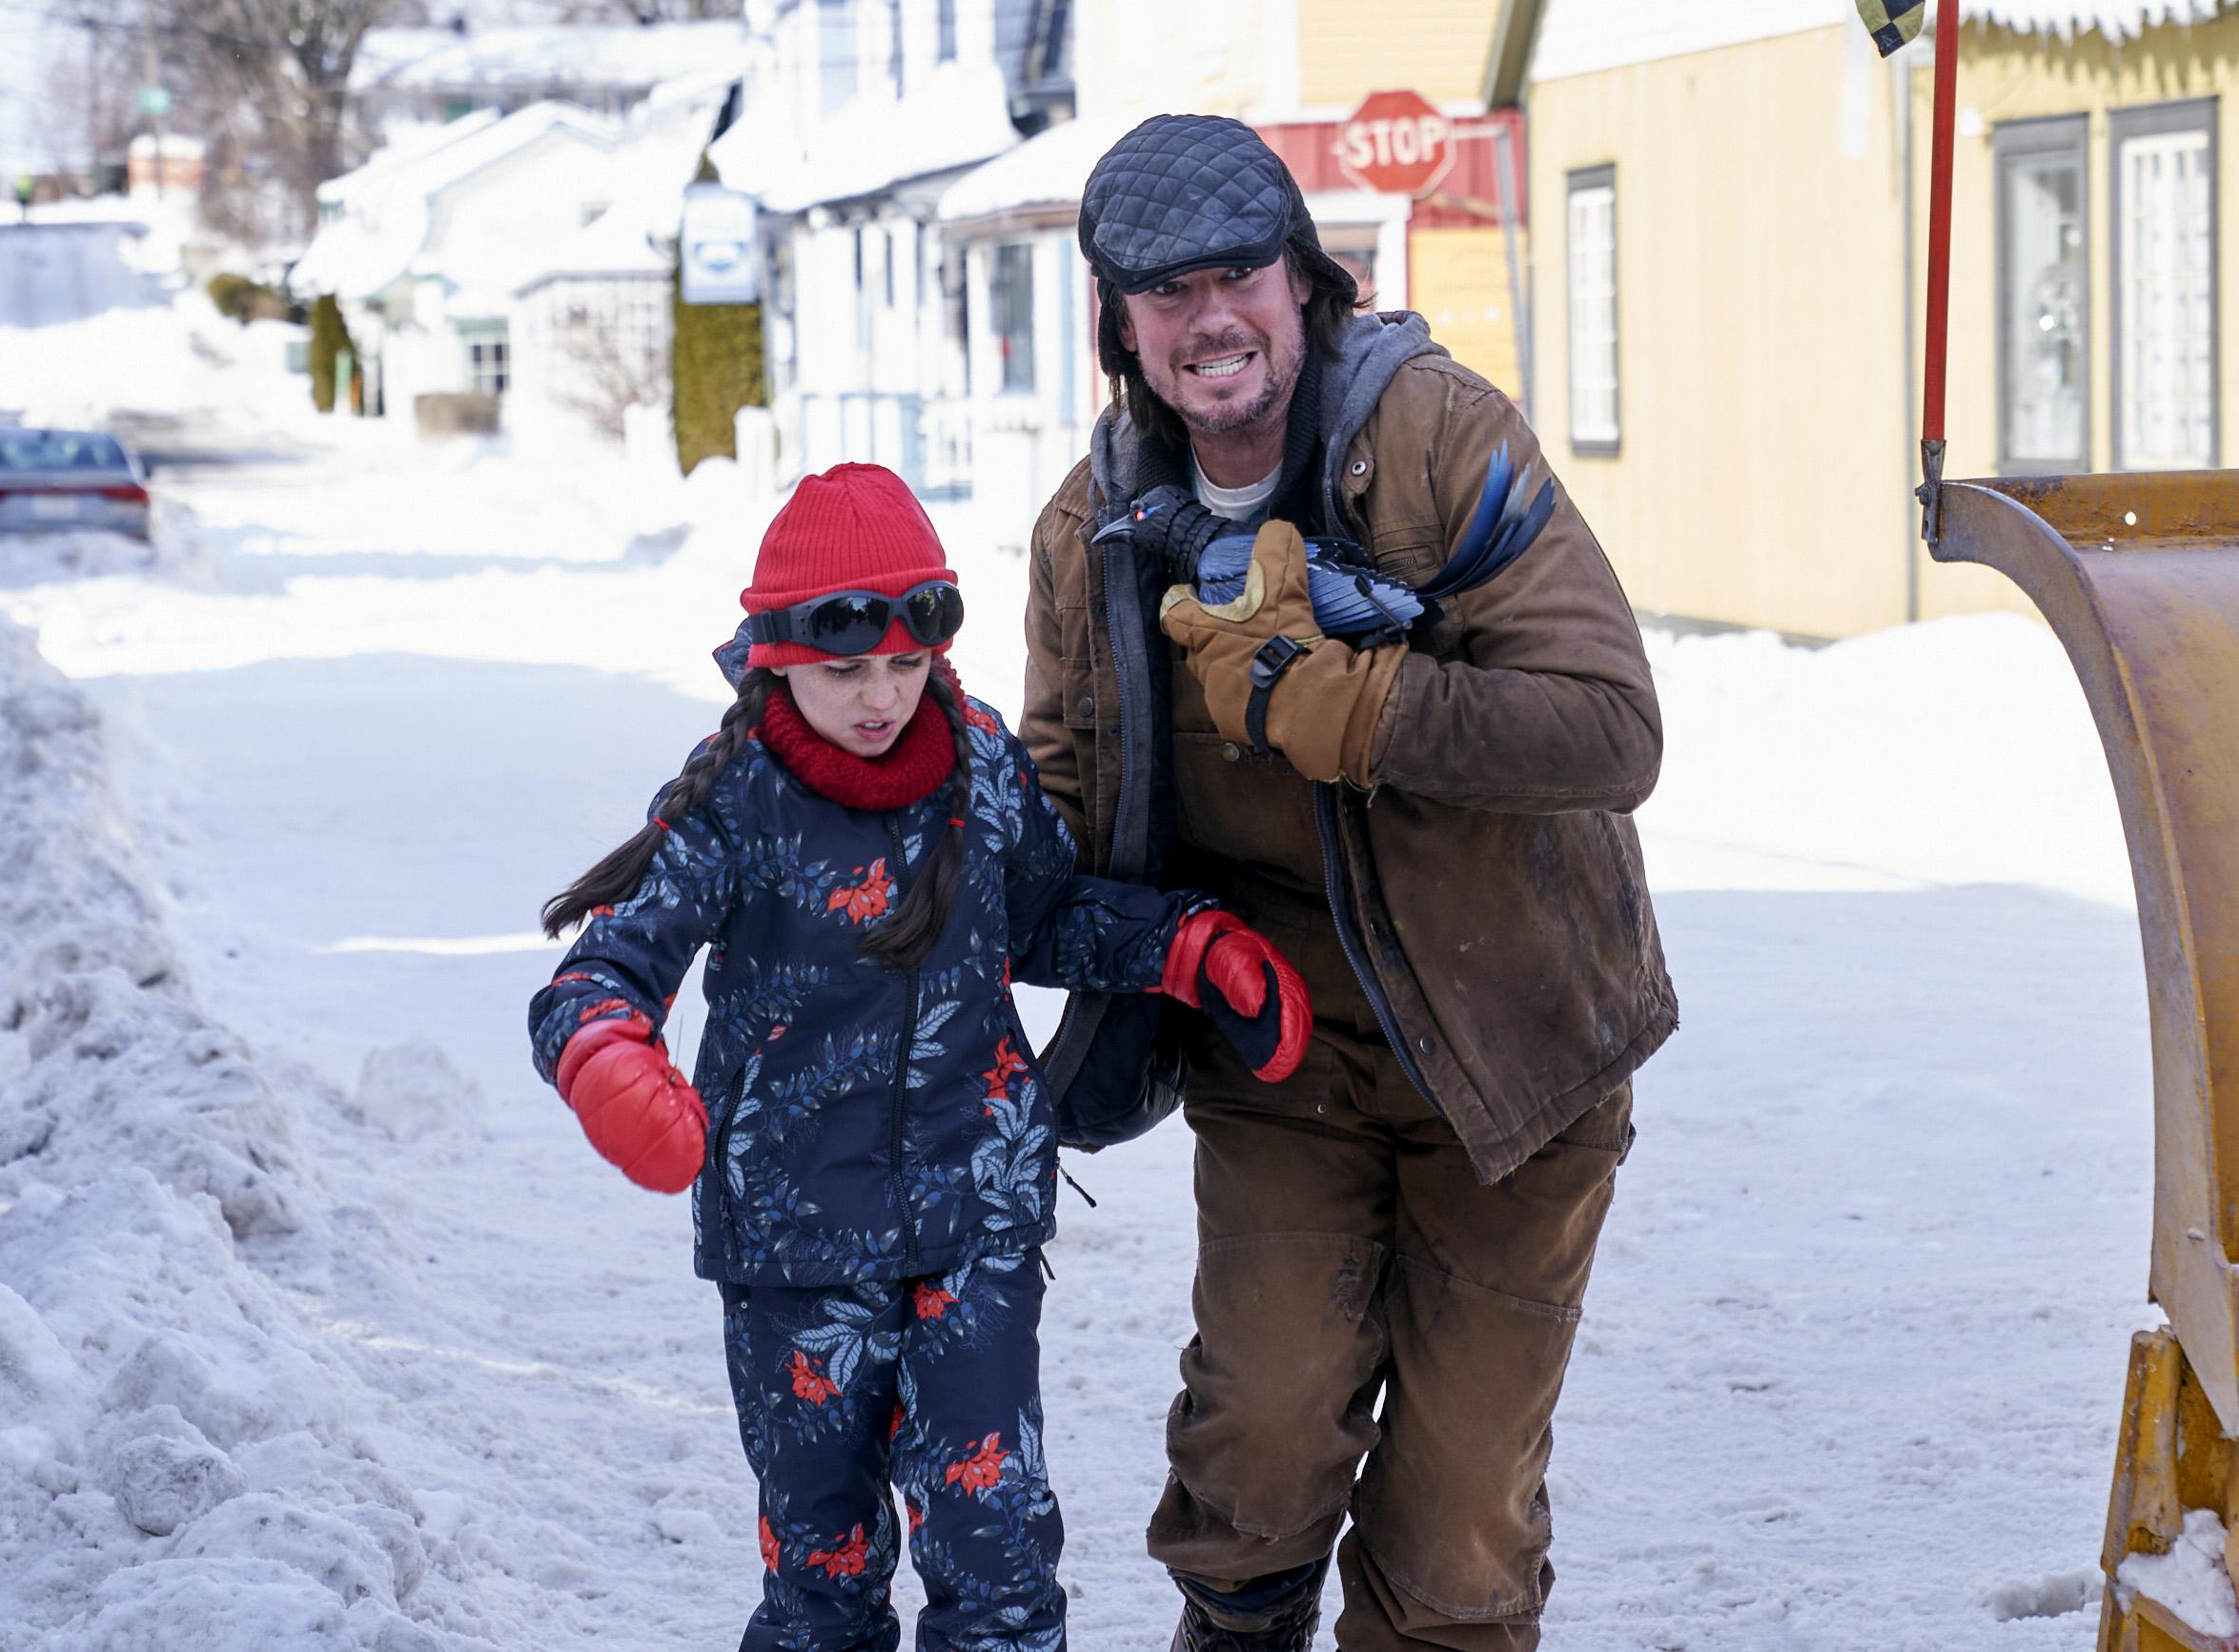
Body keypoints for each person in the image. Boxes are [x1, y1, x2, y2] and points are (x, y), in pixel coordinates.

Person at [1020, 116, 1679, 1651]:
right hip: (1281, 1060)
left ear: (1302, 282)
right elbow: (1053, 797)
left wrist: (1353, 707)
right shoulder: (1092, 530)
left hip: (1515, 1058)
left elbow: (1613, 727)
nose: (1208, 321)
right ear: (1116, 322)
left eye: (1236, 272)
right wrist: (877, 808)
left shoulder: (1442, 441)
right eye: (1160, 292)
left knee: (1454, 1548)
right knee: (1254, 1451)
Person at [526, 461, 1313, 1652]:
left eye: (906, 663)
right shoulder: (738, 790)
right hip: (795, 1248)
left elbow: (1044, 915)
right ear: (776, 650)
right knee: (824, 1572)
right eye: (846, 668)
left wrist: (1186, 946)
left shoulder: (979, 756)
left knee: (998, 1564)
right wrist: (602, 1053)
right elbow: (603, 966)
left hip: (973, 1222)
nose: (883, 696)